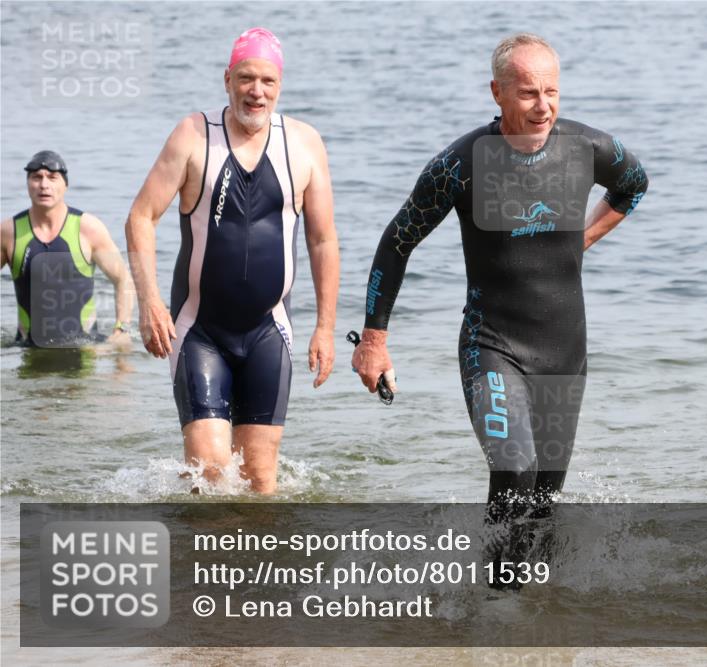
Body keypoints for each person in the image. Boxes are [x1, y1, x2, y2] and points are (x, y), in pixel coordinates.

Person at [352, 34, 648, 532]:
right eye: (529, 93)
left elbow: (633, 184)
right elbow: (397, 241)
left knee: (542, 506)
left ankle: (529, 603)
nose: (543, 107)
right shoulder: (463, 163)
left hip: (564, 350)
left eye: (551, 92)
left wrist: (583, 241)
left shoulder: (586, 147)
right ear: (497, 92)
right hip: (493, 346)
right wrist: (374, 340)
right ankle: (495, 608)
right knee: (514, 471)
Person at [125, 28, 339, 494]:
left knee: (261, 481)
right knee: (211, 472)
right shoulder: (193, 135)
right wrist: (149, 303)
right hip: (199, 329)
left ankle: (254, 565)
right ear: (227, 79)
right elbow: (141, 217)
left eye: (267, 81)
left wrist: (325, 326)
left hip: (268, 330)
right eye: (246, 78)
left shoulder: (303, 144)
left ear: (279, 85)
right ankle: (202, 562)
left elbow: (322, 240)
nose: (256, 91)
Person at [1, 150, 134, 349]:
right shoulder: (9, 231)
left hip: (84, 349)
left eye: (52, 178)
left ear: (65, 185)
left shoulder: (88, 228)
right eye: (36, 178)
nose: (44, 185)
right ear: (28, 184)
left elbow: (123, 278)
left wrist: (122, 329)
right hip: (29, 349)